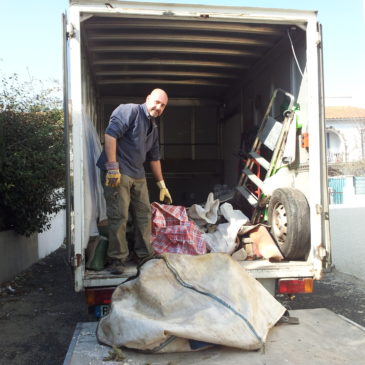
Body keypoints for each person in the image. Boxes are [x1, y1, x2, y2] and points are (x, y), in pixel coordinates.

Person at [96, 88, 172, 274]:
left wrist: (161, 184)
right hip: (118, 171)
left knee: (144, 215)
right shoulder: (129, 110)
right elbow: (110, 135)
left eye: (162, 105)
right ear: (147, 99)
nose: (158, 107)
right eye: (156, 102)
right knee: (119, 215)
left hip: (137, 173)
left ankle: (144, 255)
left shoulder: (152, 128)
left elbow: (154, 158)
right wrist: (112, 167)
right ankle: (117, 259)